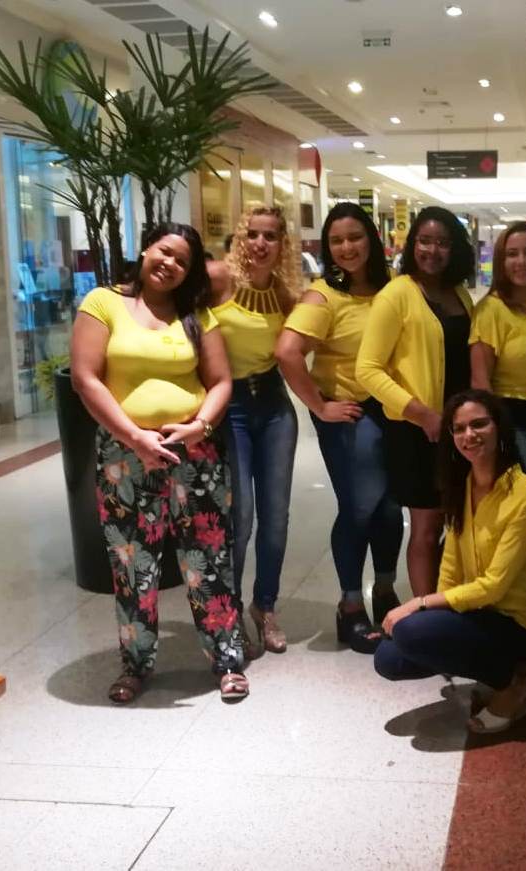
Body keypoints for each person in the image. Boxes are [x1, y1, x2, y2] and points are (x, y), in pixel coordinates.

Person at [70, 223, 248, 704]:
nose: (170, 264)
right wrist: (134, 436)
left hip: (195, 454)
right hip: (125, 457)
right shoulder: (103, 302)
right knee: (133, 564)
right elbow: (85, 378)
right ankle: (135, 664)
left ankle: (227, 661)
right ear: (146, 248)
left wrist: (200, 426)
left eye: (182, 261)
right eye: (165, 252)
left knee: (209, 560)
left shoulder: (196, 315)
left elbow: (221, 381)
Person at [374, 390, 526, 733]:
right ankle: (494, 668)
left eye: (479, 424)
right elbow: (451, 565)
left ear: (499, 428)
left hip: (517, 622)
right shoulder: (463, 484)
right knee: (388, 658)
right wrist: (438, 621)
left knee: (410, 630)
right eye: (459, 428)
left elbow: (493, 587)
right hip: (477, 612)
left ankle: (513, 686)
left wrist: (420, 604)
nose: (469, 435)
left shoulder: (525, 495)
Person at [275, 203, 403, 654]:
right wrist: (320, 406)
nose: (347, 248)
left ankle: (384, 590)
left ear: (372, 239)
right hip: (351, 413)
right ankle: (350, 605)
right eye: (336, 240)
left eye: (355, 237)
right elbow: (287, 352)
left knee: (390, 507)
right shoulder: (323, 296)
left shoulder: (393, 288)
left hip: (394, 411)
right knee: (360, 506)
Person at [356, 206, 475, 607]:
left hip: (460, 429)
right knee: (426, 527)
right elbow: (367, 369)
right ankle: (426, 612)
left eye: (443, 242)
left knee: (456, 523)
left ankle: (448, 601)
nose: (432, 251)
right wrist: (422, 414)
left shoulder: (459, 293)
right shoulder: (397, 294)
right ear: (412, 245)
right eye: (424, 241)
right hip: (418, 430)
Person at [209, 203, 301, 654]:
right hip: (232, 407)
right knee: (240, 516)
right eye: (253, 234)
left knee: (276, 517)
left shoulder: (285, 294)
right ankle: (229, 610)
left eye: (271, 236)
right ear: (241, 237)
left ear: (283, 244)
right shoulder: (218, 280)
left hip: (274, 404)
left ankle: (265, 606)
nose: (261, 244)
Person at [469, 221, 526, 497]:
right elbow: (480, 381)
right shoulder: (491, 310)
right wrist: (492, 431)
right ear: (501, 261)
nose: (521, 261)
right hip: (512, 416)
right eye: (512, 254)